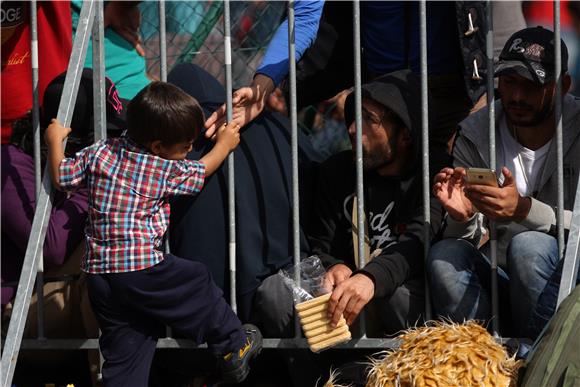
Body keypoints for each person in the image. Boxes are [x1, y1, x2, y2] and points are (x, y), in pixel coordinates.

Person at [44, 82, 262, 386]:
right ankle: (233, 344)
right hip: (139, 268)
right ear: (158, 146)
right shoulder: (160, 167)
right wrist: (223, 145)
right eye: (185, 145)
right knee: (196, 280)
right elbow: (202, 169)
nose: (188, 150)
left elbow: (61, 177)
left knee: (127, 349)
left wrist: (54, 140)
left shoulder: (102, 151)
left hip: (98, 277)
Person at [257, 70, 448, 335]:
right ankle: (322, 377)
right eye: (355, 116)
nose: (352, 128)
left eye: (369, 120)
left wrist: (370, 279)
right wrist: (334, 265)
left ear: (405, 135)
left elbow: (417, 244)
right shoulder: (337, 171)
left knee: (395, 297)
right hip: (343, 301)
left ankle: (392, 375)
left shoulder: (435, 175)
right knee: (275, 292)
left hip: (402, 292)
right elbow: (320, 243)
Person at [428, 27, 580, 339]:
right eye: (509, 82)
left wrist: (524, 210)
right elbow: (467, 238)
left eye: (531, 85)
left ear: (563, 86)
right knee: (445, 254)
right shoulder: (475, 132)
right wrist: (463, 217)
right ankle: (482, 363)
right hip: (498, 281)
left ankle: (537, 362)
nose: (517, 96)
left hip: (567, 287)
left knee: (530, 247)